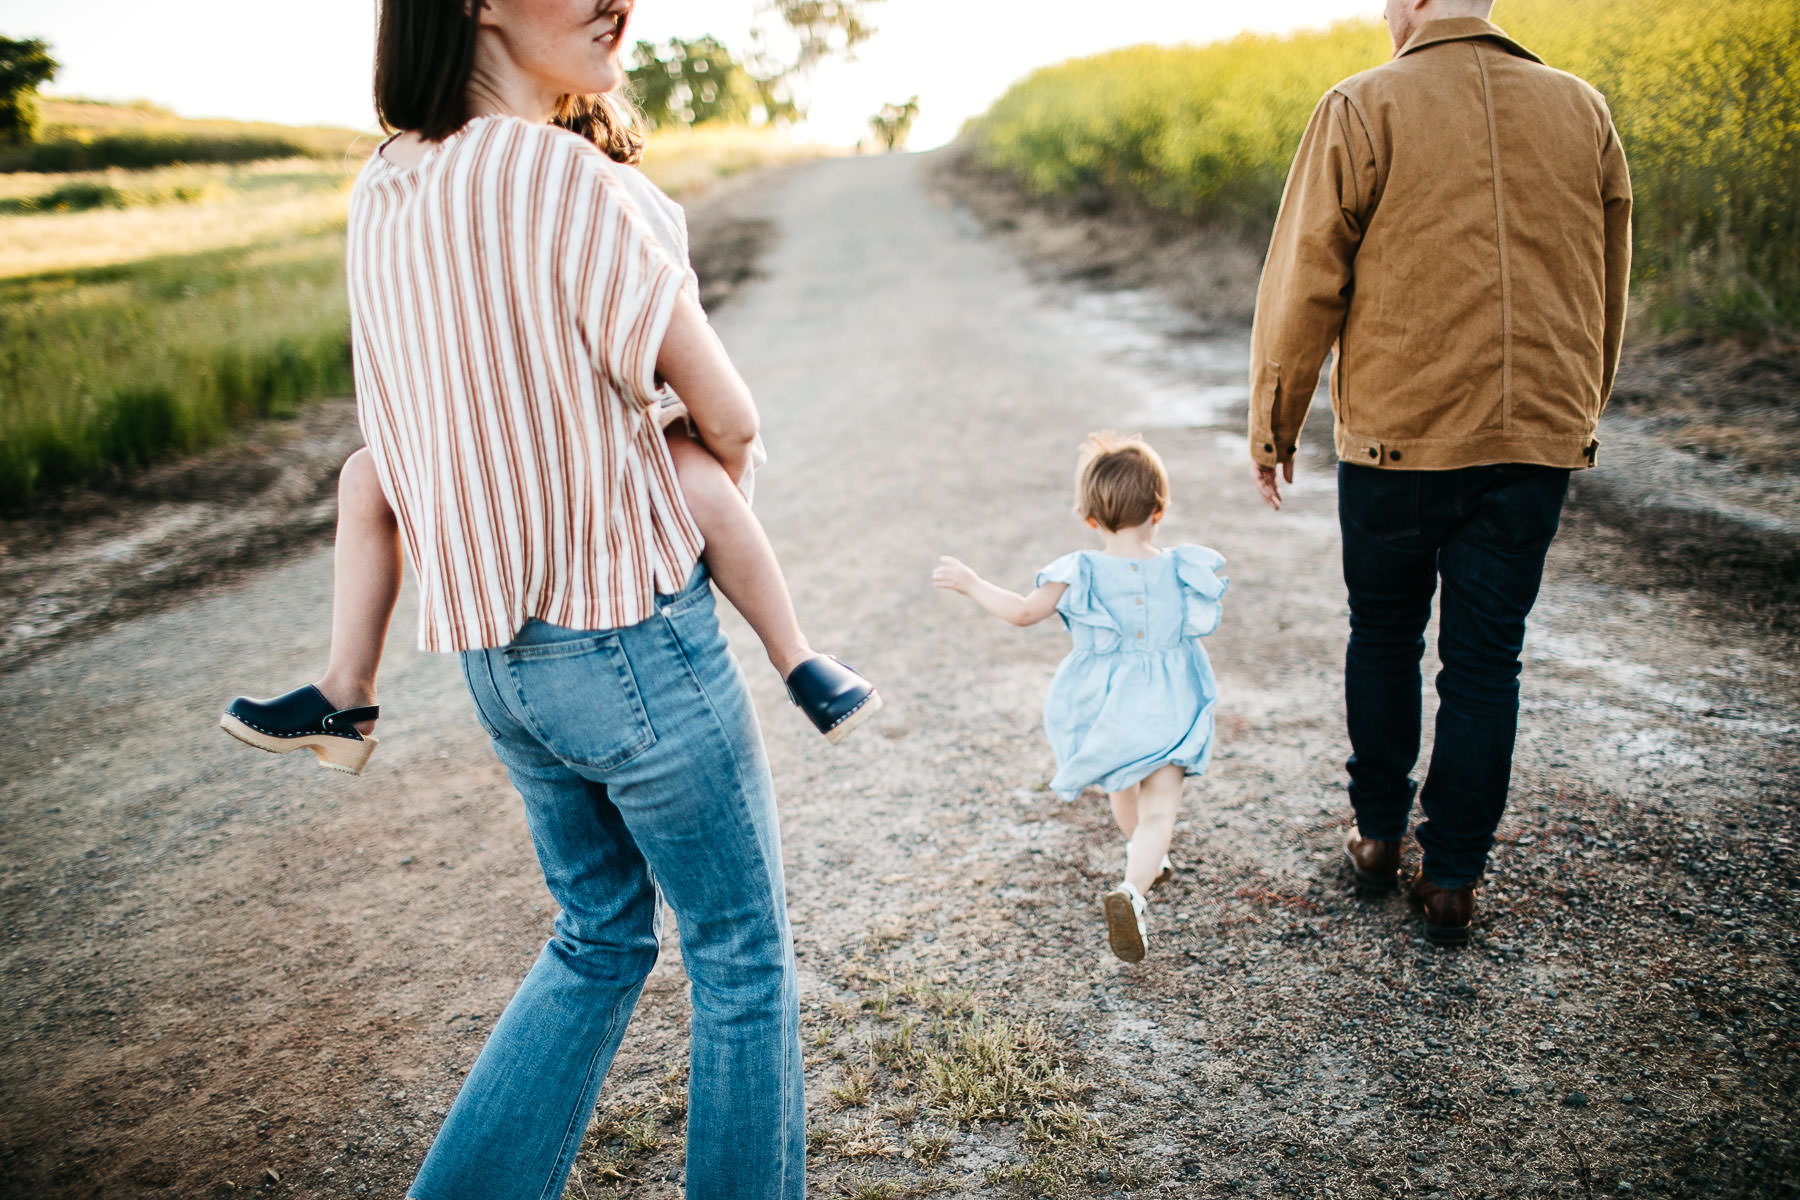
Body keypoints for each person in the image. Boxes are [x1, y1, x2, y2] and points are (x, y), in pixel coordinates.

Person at [234, 0, 841, 1195]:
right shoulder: (569, 180)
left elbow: (396, 439)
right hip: (631, 639)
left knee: (600, 935)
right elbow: (729, 414)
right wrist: (695, 482)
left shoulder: (386, 184)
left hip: (501, 664)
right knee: (740, 959)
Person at [218, 177, 878, 772]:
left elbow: (677, 330)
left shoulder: (588, 186)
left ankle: (794, 654)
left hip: (611, 399)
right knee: (366, 474)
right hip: (511, 419)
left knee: (692, 472)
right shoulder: (471, 197)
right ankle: (346, 694)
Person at [1247, 0, 1632, 945]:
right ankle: (1453, 878)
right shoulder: (1582, 109)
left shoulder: (1361, 105)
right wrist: (1577, 410)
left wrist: (1276, 421)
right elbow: (1608, 281)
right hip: (1532, 437)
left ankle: (1379, 837)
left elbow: (1306, 278)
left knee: (1383, 634)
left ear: (1411, 3)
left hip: (1397, 443)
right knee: (1485, 660)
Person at [933, 433, 1227, 962]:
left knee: (1123, 788)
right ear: (1160, 507)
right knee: (1161, 809)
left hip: (1112, 713)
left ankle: (1144, 863)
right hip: (1171, 707)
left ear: (1090, 518)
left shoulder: (1081, 570)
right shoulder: (1182, 567)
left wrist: (974, 583)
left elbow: (1024, 612)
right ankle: (1135, 886)